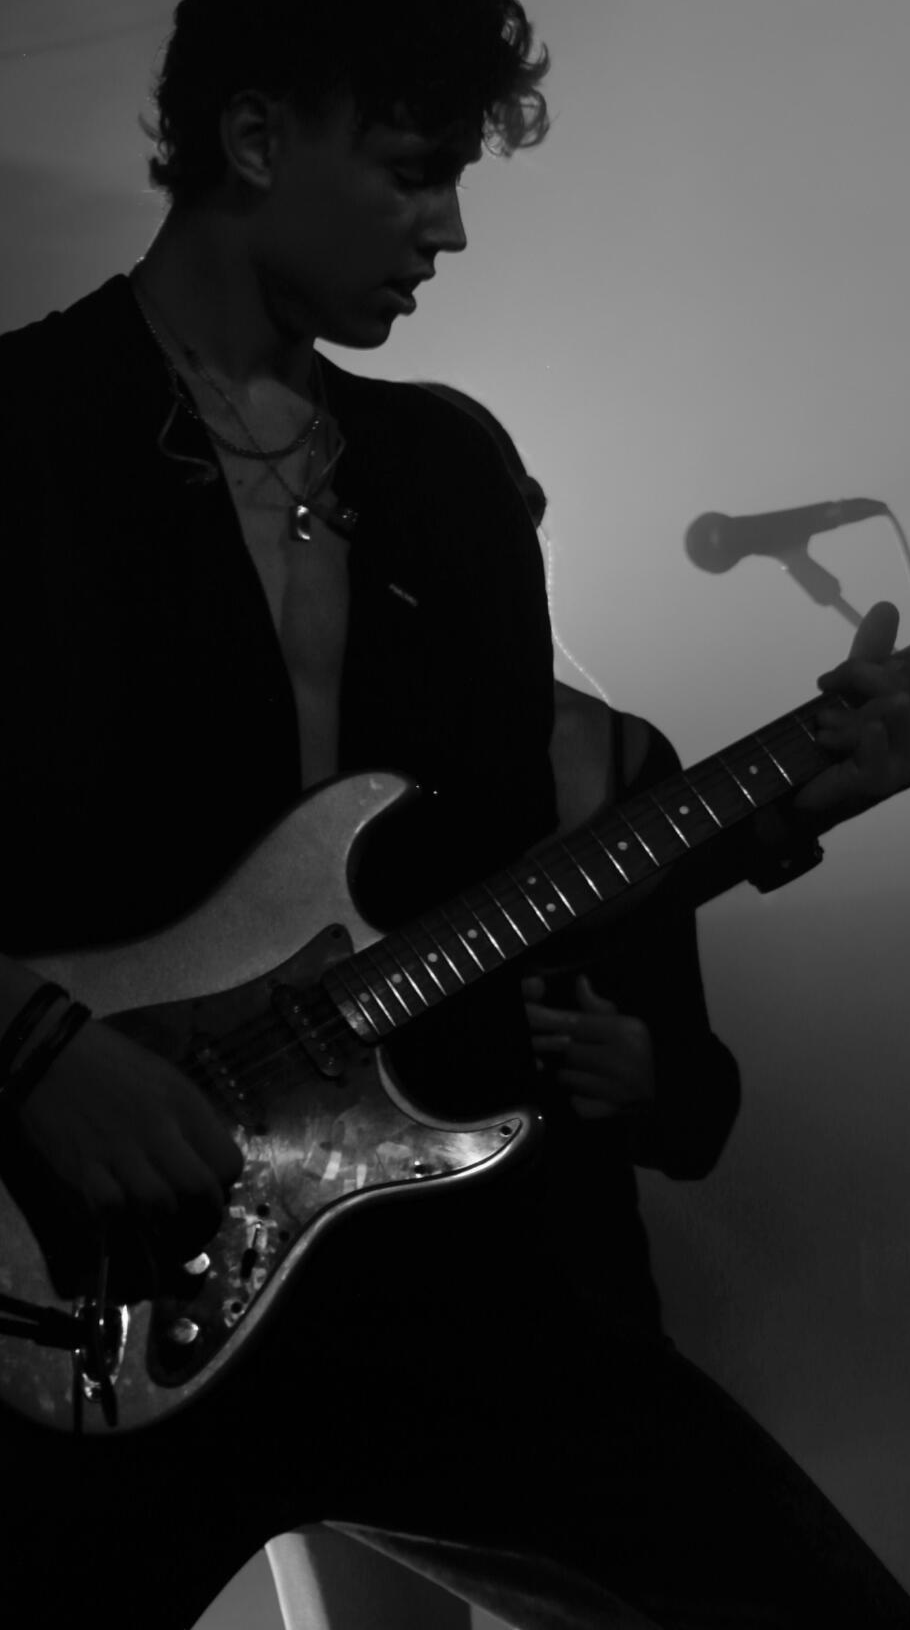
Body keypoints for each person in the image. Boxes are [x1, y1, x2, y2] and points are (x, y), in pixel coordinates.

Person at [0, 0, 910, 1629]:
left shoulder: (449, 470)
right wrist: (43, 1051)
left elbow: (500, 885)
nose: (449, 229)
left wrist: (786, 812)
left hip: (453, 1280)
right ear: (257, 138)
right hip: (103, 1267)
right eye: (412, 171)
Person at [267, 384, 741, 1630]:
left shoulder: (622, 761)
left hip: (566, 1304)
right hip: (328, 1309)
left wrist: (649, 1071)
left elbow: (698, 1106)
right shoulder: (300, 769)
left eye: (502, 527)